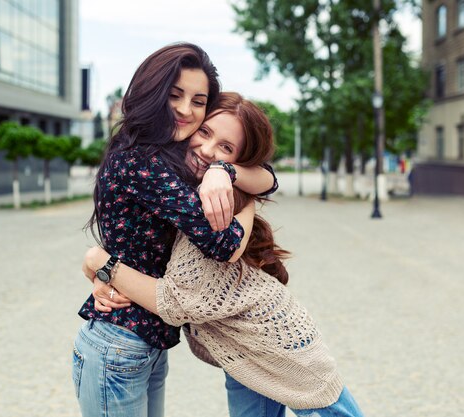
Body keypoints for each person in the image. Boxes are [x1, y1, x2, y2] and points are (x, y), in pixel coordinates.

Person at [84, 92, 365, 417]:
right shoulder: (180, 186)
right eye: (205, 132)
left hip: (280, 347)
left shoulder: (214, 203)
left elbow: (176, 303)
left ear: (238, 160)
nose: (207, 150)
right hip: (243, 352)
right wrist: (98, 270)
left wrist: (102, 263)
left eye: (226, 148)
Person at [73, 44, 278, 417]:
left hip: (143, 347)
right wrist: (243, 202)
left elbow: (268, 178)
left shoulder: (169, 156)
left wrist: (226, 171)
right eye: (174, 95)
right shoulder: (143, 163)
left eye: (198, 101)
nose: (186, 109)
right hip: (118, 345)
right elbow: (225, 243)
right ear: (152, 93)